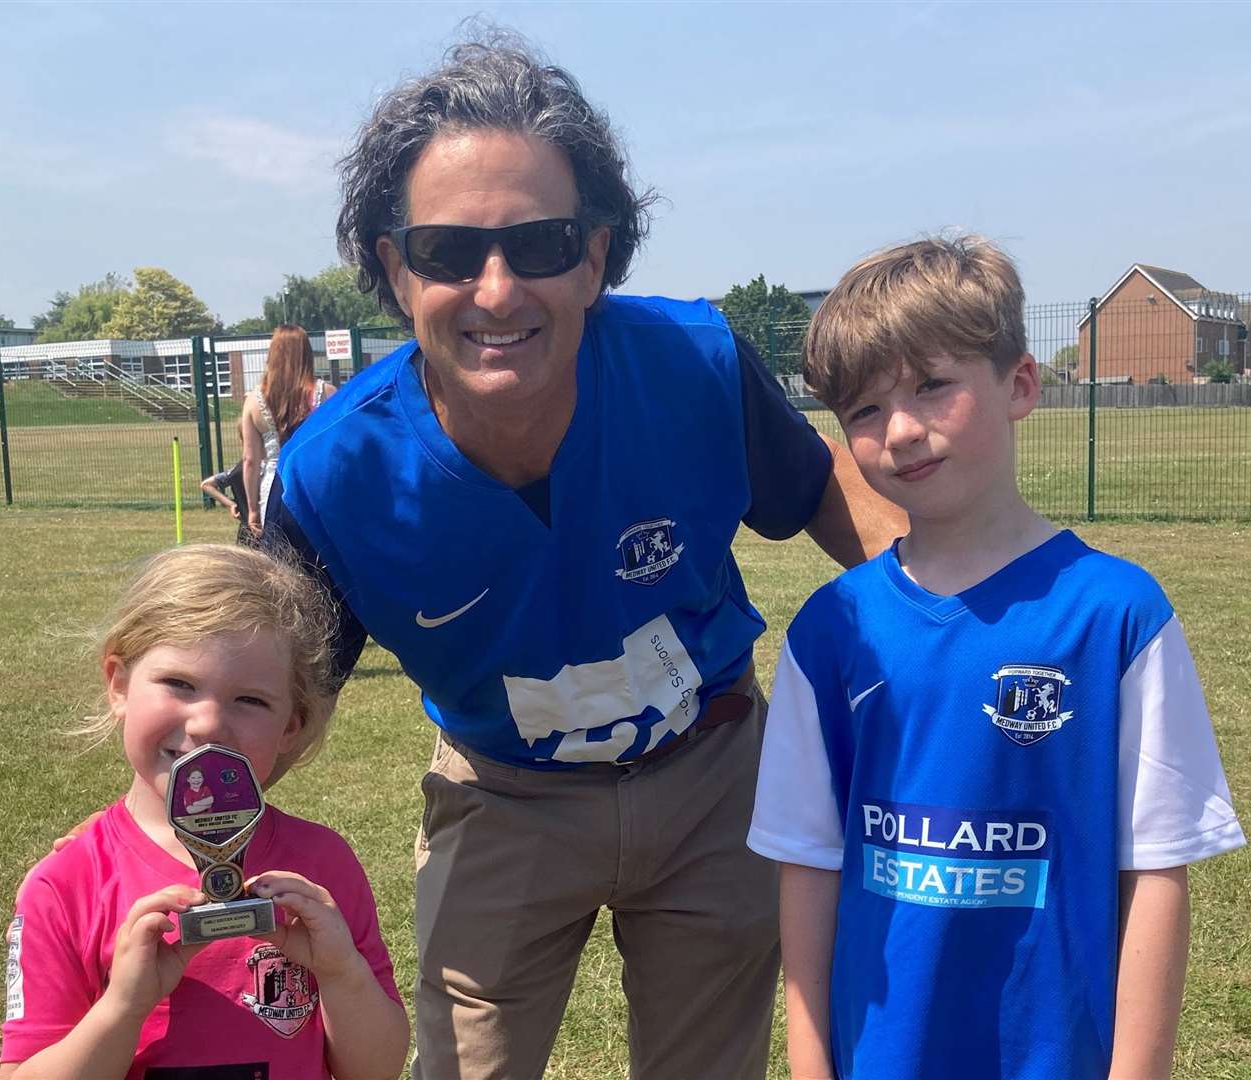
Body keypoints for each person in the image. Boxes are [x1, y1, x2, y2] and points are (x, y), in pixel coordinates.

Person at [261, 32, 903, 1080]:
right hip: (503, 794)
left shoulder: (689, 362)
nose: (499, 289)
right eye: (448, 252)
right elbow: (269, 690)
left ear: (597, 255)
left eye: (543, 243)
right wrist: (189, 814)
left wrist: (958, 626)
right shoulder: (337, 474)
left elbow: (824, 489)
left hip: (710, 768)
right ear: (393, 267)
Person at [746, 236, 1247, 1080]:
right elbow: (808, 864)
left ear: (1018, 384)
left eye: (932, 386)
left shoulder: (1118, 616)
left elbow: (1156, 872)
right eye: (864, 411)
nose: (901, 430)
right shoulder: (831, 631)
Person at [0, 544, 409, 1080]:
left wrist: (340, 972)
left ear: (292, 723)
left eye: (251, 701)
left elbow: (374, 1069)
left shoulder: (321, 866)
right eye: (180, 684)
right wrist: (122, 1007)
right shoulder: (65, 884)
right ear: (119, 683)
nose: (208, 722)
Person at [241, 325, 331, 538]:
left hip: (273, 488)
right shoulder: (326, 393)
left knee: (277, 562)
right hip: (314, 486)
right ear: (306, 354)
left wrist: (252, 509)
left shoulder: (254, 401)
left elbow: (250, 460)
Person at [199, 458, 258, 546]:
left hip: (247, 536)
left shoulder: (236, 471)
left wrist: (231, 505)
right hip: (270, 532)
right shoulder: (273, 469)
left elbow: (206, 485)